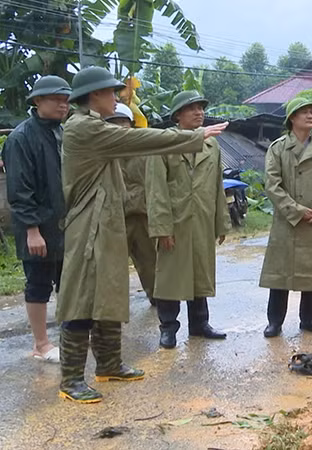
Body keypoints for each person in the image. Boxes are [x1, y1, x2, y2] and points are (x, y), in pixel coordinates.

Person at [57, 66, 228, 403]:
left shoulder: (94, 127)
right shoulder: (84, 128)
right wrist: (195, 136)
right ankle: (71, 379)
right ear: (93, 96)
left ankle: (109, 363)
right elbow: (139, 139)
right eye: (110, 92)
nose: (116, 98)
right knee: (82, 300)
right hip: (89, 224)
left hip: (107, 222)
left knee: (107, 294)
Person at [146, 90, 230, 349]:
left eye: (201, 107)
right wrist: (162, 227)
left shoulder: (211, 144)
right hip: (175, 221)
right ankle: (168, 328)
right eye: (191, 108)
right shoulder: (163, 143)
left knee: (199, 272)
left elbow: (217, 185)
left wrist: (221, 221)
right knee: (171, 276)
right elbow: (155, 188)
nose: (199, 112)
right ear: (177, 115)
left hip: (202, 219)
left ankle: (200, 324)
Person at [3, 75, 72, 364]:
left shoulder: (61, 132)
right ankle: (41, 344)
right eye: (56, 98)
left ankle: (71, 336)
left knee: (68, 282)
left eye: (66, 99)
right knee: (38, 283)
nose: (63, 104)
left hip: (63, 223)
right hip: (38, 226)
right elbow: (19, 189)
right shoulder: (21, 138)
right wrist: (32, 230)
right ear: (37, 101)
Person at [260, 96, 312, 338]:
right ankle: (275, 321)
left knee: (311, 274)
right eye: (304, 112)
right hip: (288, 221)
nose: (310, 116)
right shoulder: (278, 149)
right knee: (280, 274)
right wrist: (296, 210)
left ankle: (309, 319)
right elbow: (272, 185)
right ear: (292, 118)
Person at [104, 103, 157, 307]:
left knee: (150, 261)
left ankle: (158, 298)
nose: (118, 128)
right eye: (113, 123)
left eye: (122, 123)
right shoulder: (102, 152)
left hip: (143, 215)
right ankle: (111, 307)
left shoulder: (145, 149)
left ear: (131, 125)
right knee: (112, 265)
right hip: (115, 217)